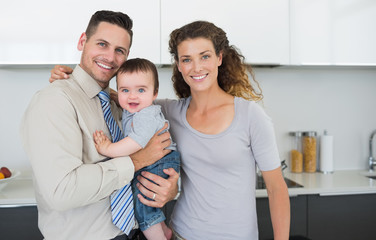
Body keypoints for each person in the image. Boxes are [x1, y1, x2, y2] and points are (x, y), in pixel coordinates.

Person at [50, 20, 290, 240]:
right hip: (180, 233)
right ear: (179, 65)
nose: (196, 67)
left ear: (219, 57)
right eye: (186, 59)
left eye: (204, 56)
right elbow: (125, 96)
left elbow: (277, 188)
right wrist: (74, 79)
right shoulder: (168, 112)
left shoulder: (250, 116)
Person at [20, 10, 179, 240]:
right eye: (102, 44)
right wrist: (137, 161)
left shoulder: (121, 103)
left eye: (119, 51)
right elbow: (61, 192)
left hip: (132, 232)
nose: (110, 57)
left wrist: (168, 189)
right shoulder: (54, 101)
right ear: (82, 41)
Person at [93, 58, 180, 240]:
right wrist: (118, 96)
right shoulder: (135, 109)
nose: (132, 96)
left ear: (155, 93)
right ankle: (164, 231)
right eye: (126, 90)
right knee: (145, 201)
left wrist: (108, 148)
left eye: (141, 90)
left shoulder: (145, 115)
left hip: (160, 160)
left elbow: (134, 143)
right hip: (158, 160)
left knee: (144, 206)